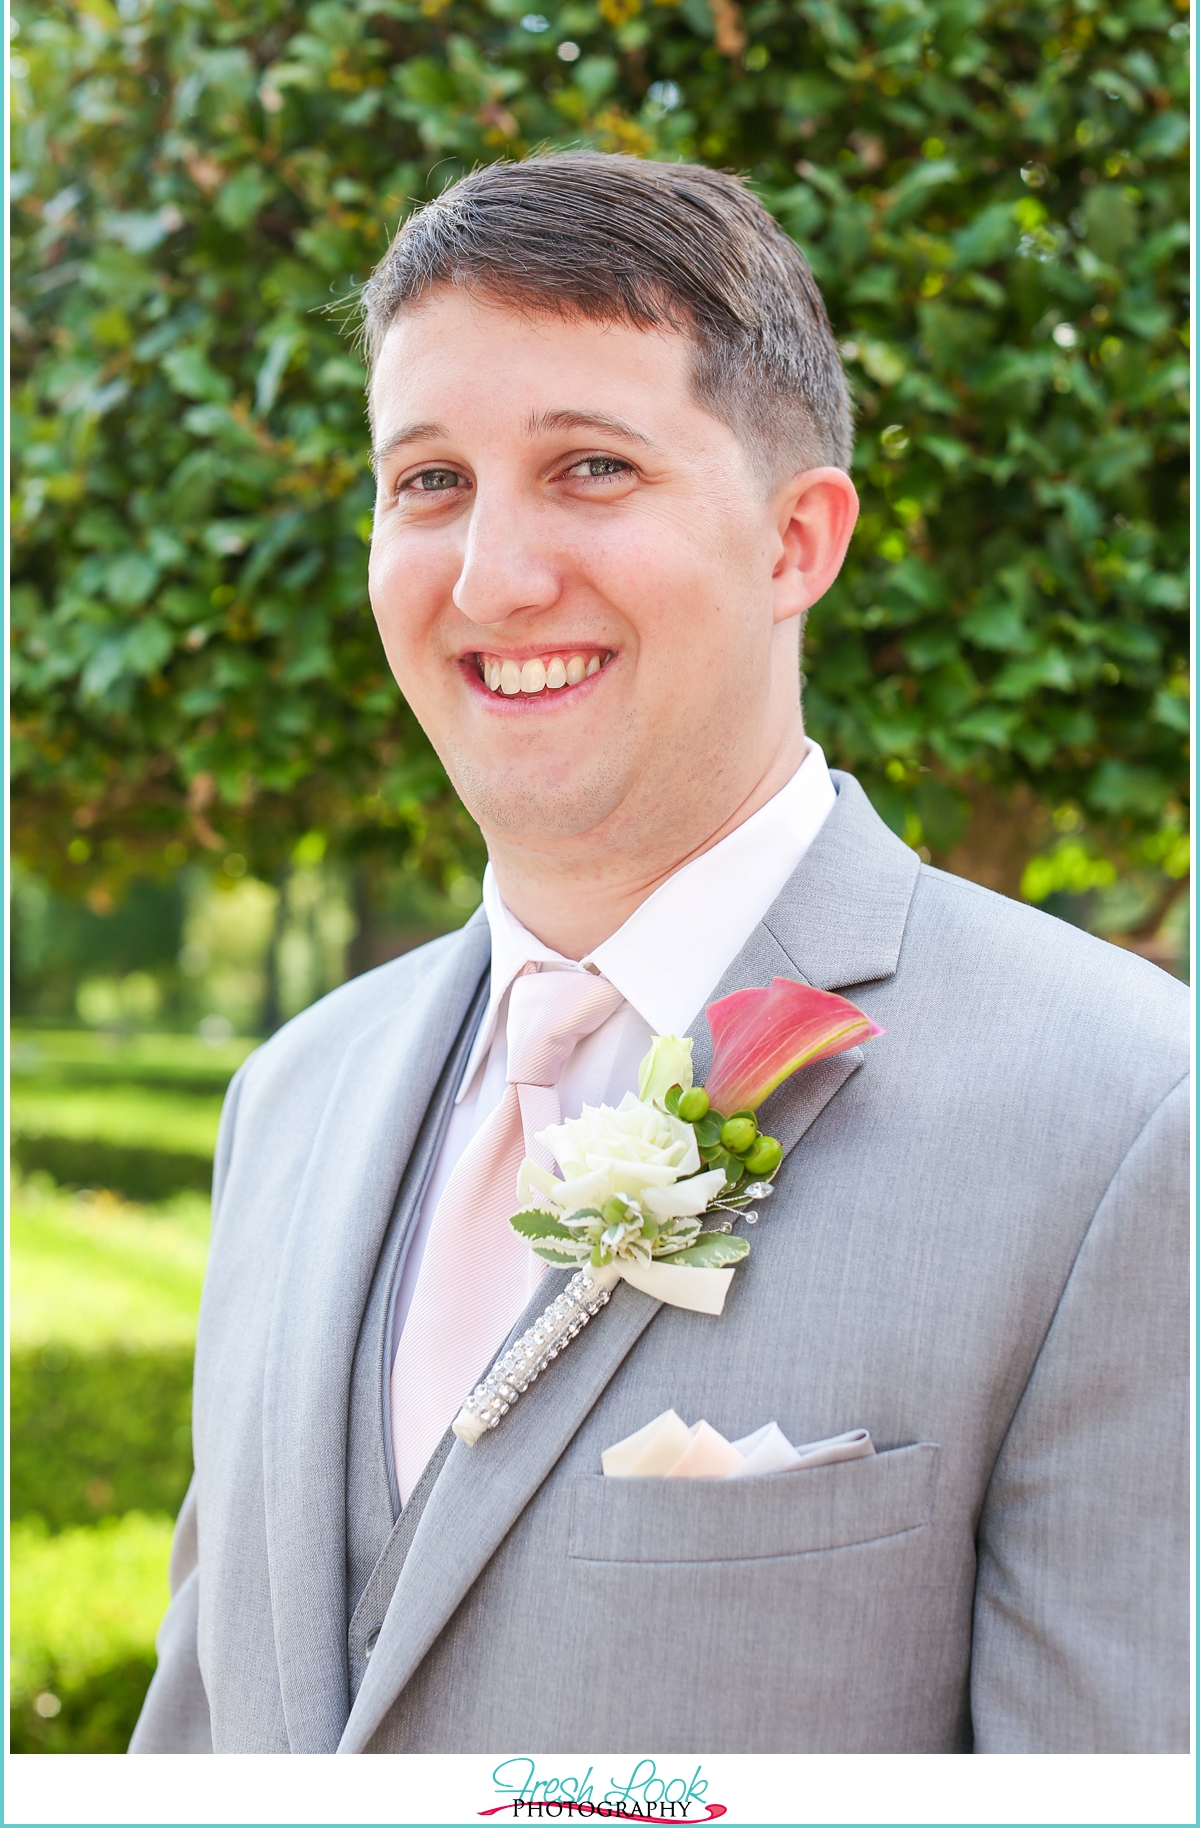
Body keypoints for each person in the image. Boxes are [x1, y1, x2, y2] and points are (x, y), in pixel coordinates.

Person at [131, 153, 1188, 1757]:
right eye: (427, 481)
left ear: (795, 543)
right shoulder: (290, 1098)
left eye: (592, 468)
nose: (490, 577)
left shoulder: (1127, 1112)